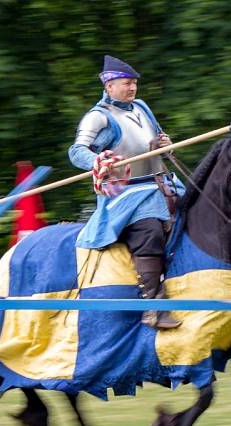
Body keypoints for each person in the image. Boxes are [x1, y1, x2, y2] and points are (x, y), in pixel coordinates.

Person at [68, 55, 183, 329]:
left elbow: (152, 140)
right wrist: (97, 161)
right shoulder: (98, 117)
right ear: (109, 86)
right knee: (150, 230)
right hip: (126, 194)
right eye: (126, 83)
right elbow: (76, 151)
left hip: (161, 183)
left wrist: (162, 143)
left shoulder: (141, 106)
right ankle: (153, 306)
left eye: (134, 84)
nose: (132, 88)